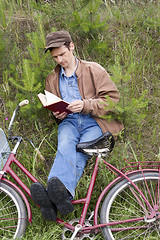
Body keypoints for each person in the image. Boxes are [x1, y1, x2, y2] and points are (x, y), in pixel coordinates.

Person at [30, 30, 124, 221]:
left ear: (71, 46)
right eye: (55, 57)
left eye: (62, 54)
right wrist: (58, 113)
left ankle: (52, 197)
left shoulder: (94, 70)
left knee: (82, 150)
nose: (60, 60)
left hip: (96, 122)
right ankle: (60, 197)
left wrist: (86, 104)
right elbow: (54, 107)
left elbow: (113, 101)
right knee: (65, 145)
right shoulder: (52, 78)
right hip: (69, 122)